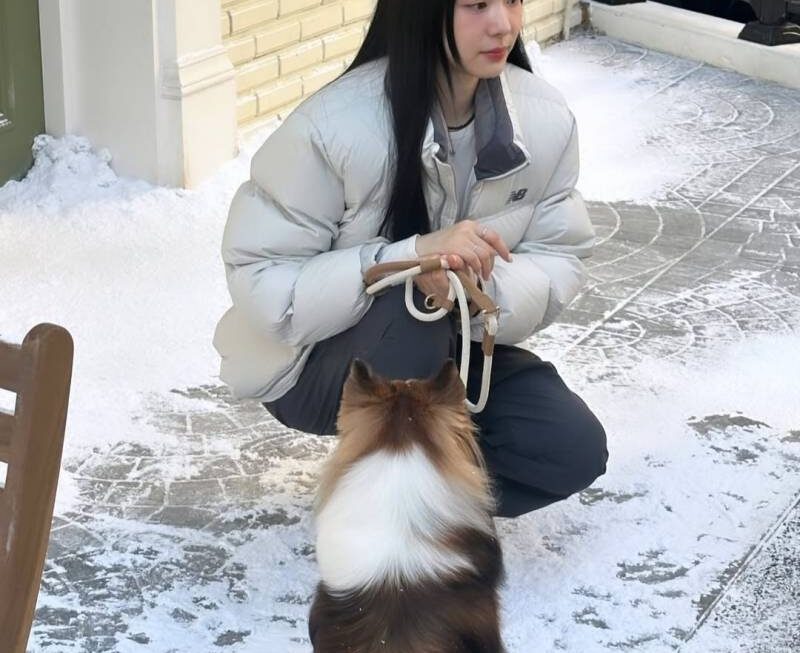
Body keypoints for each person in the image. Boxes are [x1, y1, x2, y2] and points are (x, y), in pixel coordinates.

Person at [213, 0, 608, 519]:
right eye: (476, 5)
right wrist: (413, 259)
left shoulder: (544, 118)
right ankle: (389, 520)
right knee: (409, 304)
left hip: (451, 345)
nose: (503, 24)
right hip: (311, 363)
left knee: (568, 446)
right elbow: (264, 284)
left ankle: (422, 498)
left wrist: (476, 293)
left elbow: (560, 255)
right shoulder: (335, 127)